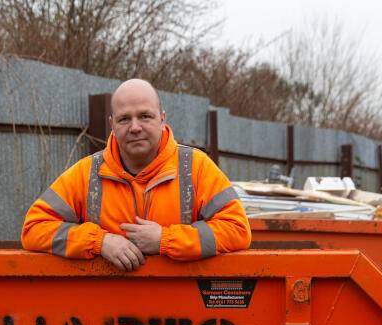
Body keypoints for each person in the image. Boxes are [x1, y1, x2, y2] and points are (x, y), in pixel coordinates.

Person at [21, 79, 251, 270]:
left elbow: (238, 230)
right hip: (107, 312)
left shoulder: (196, 168)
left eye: (144, 116)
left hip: (182, 313)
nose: (135, 127)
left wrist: (165, 240)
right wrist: (99, 242)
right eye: (124, 119)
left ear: (162, 119)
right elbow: (34, 229)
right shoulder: (86, 173)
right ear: (112, 124)